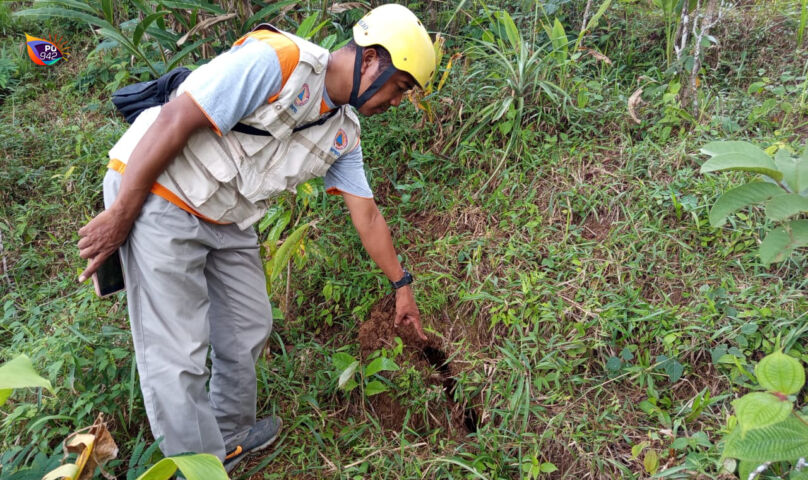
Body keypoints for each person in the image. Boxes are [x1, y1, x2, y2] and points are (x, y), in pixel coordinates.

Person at [76, 4, 435, 471]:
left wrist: (402, 286)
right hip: (160, 192)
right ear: (371, 60)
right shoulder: (278, 60)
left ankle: (230, 434)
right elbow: (176, 118)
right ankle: (199, 467)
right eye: (400, 86)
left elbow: (366, 216)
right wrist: (123, 212)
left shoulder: (343, 134)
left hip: (225, 215)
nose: (398, 101)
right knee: (178, 352)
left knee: (248, 323)